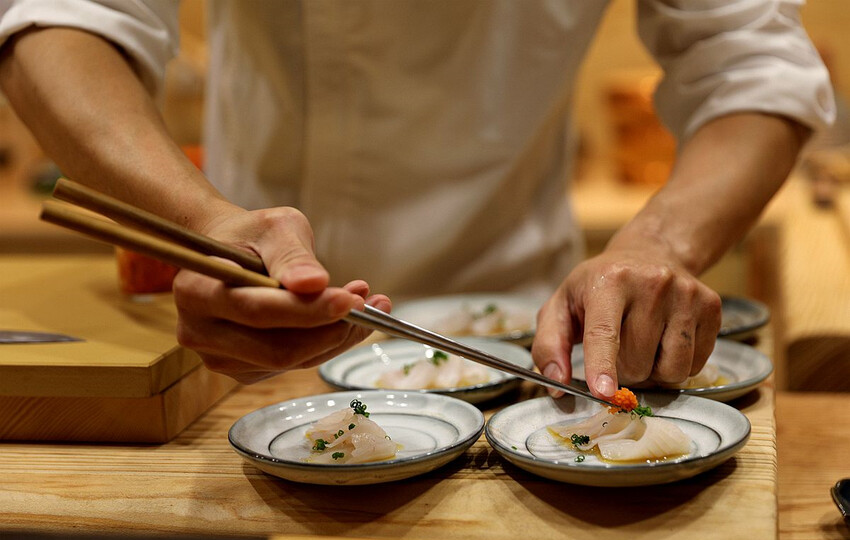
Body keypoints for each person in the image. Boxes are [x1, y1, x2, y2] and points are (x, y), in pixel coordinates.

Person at [0, 1, 834, 400]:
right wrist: (206, 224)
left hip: (525, 349)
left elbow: (753, 64)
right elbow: (62, 20)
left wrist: (660, 244)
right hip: (238, 337)